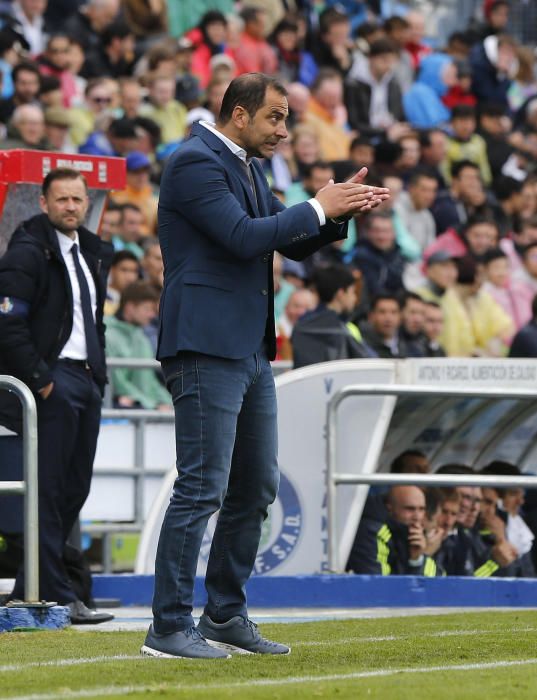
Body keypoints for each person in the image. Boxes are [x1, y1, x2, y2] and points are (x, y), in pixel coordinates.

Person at [142, 72, 389, 660]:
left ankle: (225, 614)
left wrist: (337, 213)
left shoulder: (245, 165)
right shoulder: (193, 162)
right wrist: (313, 205)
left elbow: (291, 239)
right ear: (239, 115)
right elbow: (244, 237)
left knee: (255, 486)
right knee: (202, 486)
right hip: (205, 345)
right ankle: (168, 627)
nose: (283, 130)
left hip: (248, 348)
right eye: (276, 118)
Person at [0, 168, 114, 624]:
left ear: (86, 204)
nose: (71, 206)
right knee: (48, 492)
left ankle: (36, 584)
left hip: (86, 380)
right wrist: (41, 378)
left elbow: (95, 322)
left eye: (77, 199)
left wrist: (98, 375)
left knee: (73, 489)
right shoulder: (27, 252)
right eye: (61, 199)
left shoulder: (91, 252)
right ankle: (57, 593)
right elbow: (7, 322)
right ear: (44, 204)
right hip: (53, 381)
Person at [105, 281, 171, 410]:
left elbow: (150, 382)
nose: (152, 315)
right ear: (130, 307)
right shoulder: (107, 335)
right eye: (147, 309)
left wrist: (168, 402)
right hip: (120, 409)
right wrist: (152, 405)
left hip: (144, 406)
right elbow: (118, 383)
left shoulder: (140, 336)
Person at [346, 485, 440, 576]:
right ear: (390, 508)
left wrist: (417, 559)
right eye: (410, 509)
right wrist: (416, 561)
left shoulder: (413, 532)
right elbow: (382, 585)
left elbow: (438, 579)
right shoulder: (372, 532)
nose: (417, 517)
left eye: (422, 509)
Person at [291, 264, 371, 368]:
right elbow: (368, 361)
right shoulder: (339, 329)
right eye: (352, 292)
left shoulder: (301, 324)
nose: (355, 299)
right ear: (341, 293)